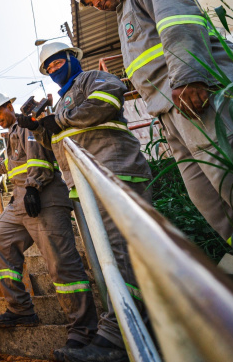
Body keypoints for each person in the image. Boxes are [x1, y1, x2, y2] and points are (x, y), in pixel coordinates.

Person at [68, 0, 233, 279]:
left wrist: (189, 77)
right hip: (171, 116)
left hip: (200, 98)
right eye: (90, 3)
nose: (97, 4)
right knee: (211, 202)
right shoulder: (125, 18)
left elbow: (179, 24)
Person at [25, 41, 153, 362]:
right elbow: (57, 139)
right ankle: (120, 329)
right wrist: (39, 127)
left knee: (122, 254)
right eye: (48, 68)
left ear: (72, 58)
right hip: (83, 187)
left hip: (114, 172)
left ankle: (120, 337)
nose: (54, 70)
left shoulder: (92, 78)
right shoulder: (63, 102)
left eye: (57, 62)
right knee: (106, 259)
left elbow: (106, 101)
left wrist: (61, 117)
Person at [0, 92, 97, 357]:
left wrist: (34, 186)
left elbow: (37, 158)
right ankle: (20, 309)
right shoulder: (12, 131)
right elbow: (18, 161)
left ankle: (83, 332)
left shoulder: (26, 124)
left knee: (61, 264)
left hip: (43, 196)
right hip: (21, 202)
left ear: (9, 106)